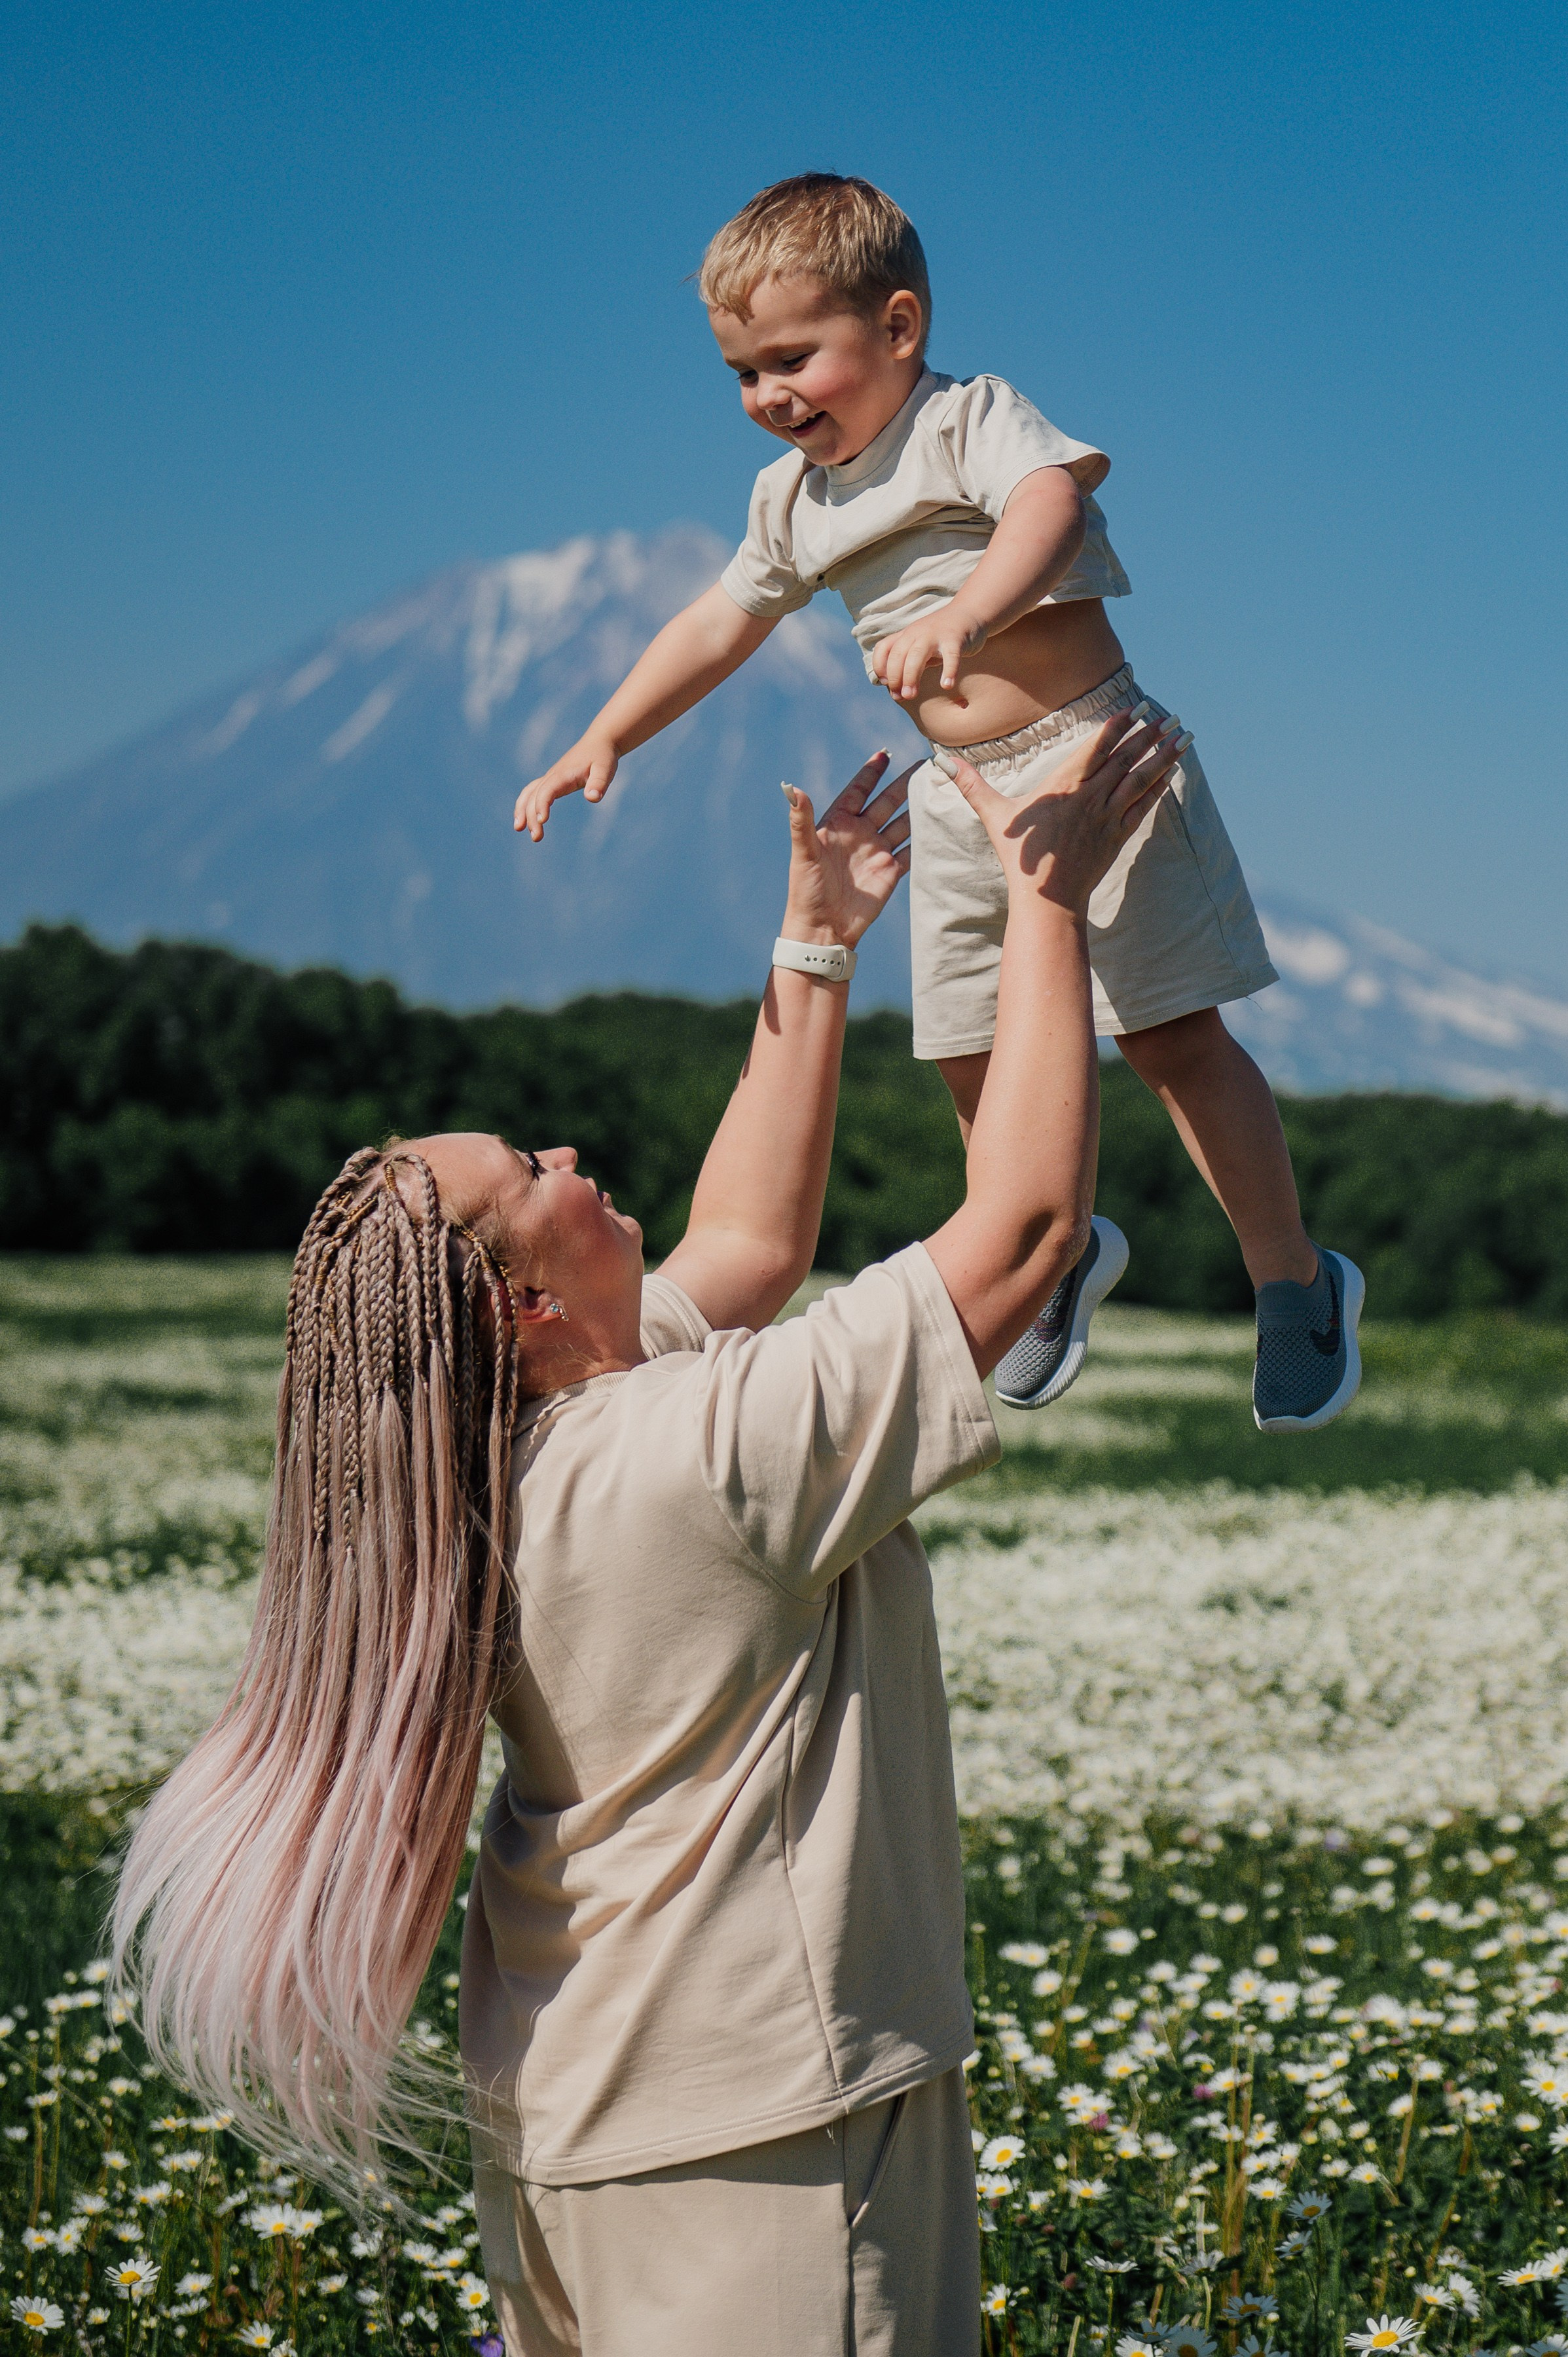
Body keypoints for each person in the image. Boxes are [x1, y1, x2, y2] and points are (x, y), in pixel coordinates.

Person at [113, 706, 1178, 2355]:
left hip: (585, 2117)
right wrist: (1044, 894)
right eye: (527, 1170)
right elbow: (1028, 1232)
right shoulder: (689, 1464)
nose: (567, 1149)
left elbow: (747, 1237)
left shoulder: (534, 1450)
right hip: (766, 2129)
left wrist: (813, 942)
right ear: (517, 1298)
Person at [513, 172, 1363, 1434]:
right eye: (744, 374)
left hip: (1094, 764)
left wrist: (970, 612)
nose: (769, 397)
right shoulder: (791, 504)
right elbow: (717, 621)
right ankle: (1056, 1254)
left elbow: (1053, 503)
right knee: (970, 1050)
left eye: (794, 357)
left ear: (898, 327)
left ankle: (1292, 1277)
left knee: (1170, 1038)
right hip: (964, 802)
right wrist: (607, 732)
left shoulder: (967, 422)